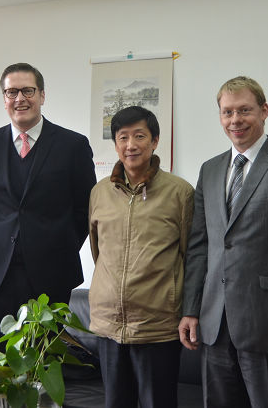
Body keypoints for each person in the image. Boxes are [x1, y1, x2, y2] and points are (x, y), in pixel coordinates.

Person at [179, 76, 268, 408]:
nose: (235, 120)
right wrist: (191, 309)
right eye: (227, 112)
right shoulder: (210, 169)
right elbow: (200, 247)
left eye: (244, 110)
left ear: (264, 111)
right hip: (214, 325)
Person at [0, 62, 96, 346]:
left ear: (42, 95)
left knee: (44, 355)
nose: (20, 99)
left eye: (28, 91)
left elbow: (85, 209)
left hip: (52, 271)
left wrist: (57, 243)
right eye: (12, 92)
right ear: (4, 98)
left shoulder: (73, 145)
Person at [89, 106, 194, 408]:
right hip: (108, 324)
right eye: (123, 137)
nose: (130, 145)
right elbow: (98, 251)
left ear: (155, 141)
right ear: (115, 144)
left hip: (157, 326)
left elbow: (190, 256)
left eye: (139, 136)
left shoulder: (180, 193)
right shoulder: (99, 192)